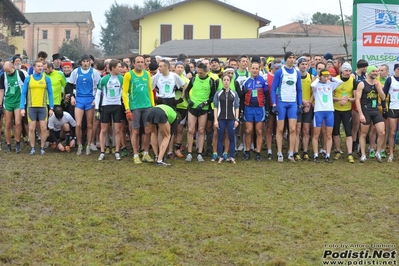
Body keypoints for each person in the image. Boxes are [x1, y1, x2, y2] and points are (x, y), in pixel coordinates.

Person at [122, 55, 155, 164]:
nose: (140, 64)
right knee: (135, 131)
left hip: (147, 106)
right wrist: (127, 108)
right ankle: (136, 154)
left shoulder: (147, 74)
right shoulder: (128, 75)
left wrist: (153, 106)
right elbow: (125, 93)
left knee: (147, 130)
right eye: (138, 62)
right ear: (133, 64)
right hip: (135, 107)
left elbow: (150, 90)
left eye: (142, 62)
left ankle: (145, 153)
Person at [67, 54, 102, 155]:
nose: (86, 63)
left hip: (90, 100)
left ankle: (88, 144)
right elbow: (69, 84)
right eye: (84, 61)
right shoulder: (76, 72)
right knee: (78, 124)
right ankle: (79, 144)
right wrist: (72, 97)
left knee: (90, 124)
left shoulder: (94, 72)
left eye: (87, 61)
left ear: (90, 62)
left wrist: (96, 99)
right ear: (81, 62)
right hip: (79, 99)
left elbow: (99, 86)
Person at [271, 51, 303, 162]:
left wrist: (299, 105)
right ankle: (279, 153)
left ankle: (290, 153)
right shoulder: (280, 72)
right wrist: (274, 104)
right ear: (285, 59)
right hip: (281, 103)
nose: (292, 59)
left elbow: (299, 90)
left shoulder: (296, 73)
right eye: (290, 57)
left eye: (293, 58)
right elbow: (273, 89)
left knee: (293, 129)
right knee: (280, 129)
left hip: (292, 103)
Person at [152, 59, 186, 158]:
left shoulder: (174, 76)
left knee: (171, 128)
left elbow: (184, 85)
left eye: (161, 66)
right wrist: (155, 99)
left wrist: (180, 98)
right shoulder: (156, 76)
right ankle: (159, 152)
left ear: (167, 67)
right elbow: (150, 87)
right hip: (161, 101)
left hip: (171, 101)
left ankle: (169, 151)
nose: (159, 68)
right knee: (160, 129)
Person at [20, 60, 54, 155]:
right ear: (34, 67)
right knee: (31, 128)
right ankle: (32, 147)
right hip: (31, 107)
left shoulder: (46, 79)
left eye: (41, 66)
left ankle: (42, 147)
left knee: (43, 128)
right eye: (38, 66)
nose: (40, 68)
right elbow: (23, 94)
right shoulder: (28, 79)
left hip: (43, 107)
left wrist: (51, 107)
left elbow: (50, 93)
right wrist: (22, 107)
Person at [184, 62, 216, 162]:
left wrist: (205, 103)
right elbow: (186, 91)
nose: (199, 74)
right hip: (192, 107)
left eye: (201, 73)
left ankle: (200, 153)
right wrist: (188, 100)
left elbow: (213, 96)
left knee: (202, 130)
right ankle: (189, 153)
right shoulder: (194, 79)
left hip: (203, 108)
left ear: (207, 72)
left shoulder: (211, 81)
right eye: (198, 72)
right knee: (190, 130)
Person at [311, 69, 343, 163]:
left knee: (329, 135)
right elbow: (312, 85)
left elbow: (340, 81)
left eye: (327, 76)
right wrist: (317, 78)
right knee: (316, 134)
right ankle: (316, 155)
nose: (326, 78)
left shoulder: (330, 84)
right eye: (324, 76)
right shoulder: (316, 85)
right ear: (320, 76)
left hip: (329, 111)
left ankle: (328, 155)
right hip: (318, 111)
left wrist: (331, 78)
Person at [356, 65, 386, 163]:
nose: (375, 73)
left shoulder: (378, 83)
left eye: (377, 71)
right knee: (363, 133)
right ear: (368, 72)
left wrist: (379, 88)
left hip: (375, 110)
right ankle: (363, 154)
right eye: (373, 71)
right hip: (365, 111)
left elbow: (383, 97)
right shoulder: (362, 84)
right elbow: (357, 100)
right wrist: (360, 114)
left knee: (382, 132)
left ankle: (378, 152)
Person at [96, 59, 124, 161]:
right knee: (104, 130)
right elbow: (98, 94)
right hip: (106, 106)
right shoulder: (104, 79)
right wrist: (97, 108)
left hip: (117, 106)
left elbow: (125, 92)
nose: (120, 69)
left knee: (117, 130)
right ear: (112, 68)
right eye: (119, 67)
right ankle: (102, 152)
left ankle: (117, 151)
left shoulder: (122, 79)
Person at [242, 61, 269, 161]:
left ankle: (258, 153)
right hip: (248, 108)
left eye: (256, 68)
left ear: (259, 69)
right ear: (249, 69)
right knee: (248, 131)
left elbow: (267, 96)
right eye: (253, 68)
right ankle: (247, 151)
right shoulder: (246, 81)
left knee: (259, 131)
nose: (254, 70)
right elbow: (242, 97)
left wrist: (267, 111)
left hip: (259, 108)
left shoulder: (263, 81)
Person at [332, 62, 356, 163]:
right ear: (342, 70)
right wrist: (339, 99)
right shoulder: (335, 79)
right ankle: (338, 151)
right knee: (336, 131)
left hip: (347, 110)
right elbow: (329, 96)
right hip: (336, 109)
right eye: (346, 70)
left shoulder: (353, 80)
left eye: (350, 71)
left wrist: (347, 100)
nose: (348, 73)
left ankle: (350, 153)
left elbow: (355, 98)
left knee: (348, 132)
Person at [213, 73, 240, 163]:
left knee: (231, 137)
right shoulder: (218, 93)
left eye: (228, 80)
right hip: (221, 119)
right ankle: (221, 156)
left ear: (230, 81)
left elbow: (236, 106)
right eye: (224, 80)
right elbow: (215, 107)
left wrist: (236, 119)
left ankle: (232, 156)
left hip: (231, 119)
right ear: (222, 81)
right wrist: (216, 120)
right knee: (220, 137)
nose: (226, 82)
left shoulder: (234, 93)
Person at [0, 61, 26, 153]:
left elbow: (25, 86)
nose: (8, 73)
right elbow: (2, 90)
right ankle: (8, 144)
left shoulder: (20, 73)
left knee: (18, 123)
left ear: (12, 67)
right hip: (8, 102)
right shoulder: (3, 76)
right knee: (7, 124)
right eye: (6, 71)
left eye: (9, 71)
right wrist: (0, 104)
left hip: (18, 101)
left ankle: (18, 143)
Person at [295, 56, 313, 161]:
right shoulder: (295, 76)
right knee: (297, 130)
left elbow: (313, 92)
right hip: (298, 105)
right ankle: (296, 151)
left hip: (308, 106)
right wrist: (301, 101)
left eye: (306, 64)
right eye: (302, 64)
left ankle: (305, 151)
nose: (304, 66)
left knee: (306, 130)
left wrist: (309, 103)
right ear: (298, 65)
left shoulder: (311, 77)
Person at [382, 63, 399, 162]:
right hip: (393, 108)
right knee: (392, 132)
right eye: (397, 69)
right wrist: (384, 108)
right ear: (395, 70)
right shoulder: (390, 80)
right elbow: (384, 95)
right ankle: (391, 153)